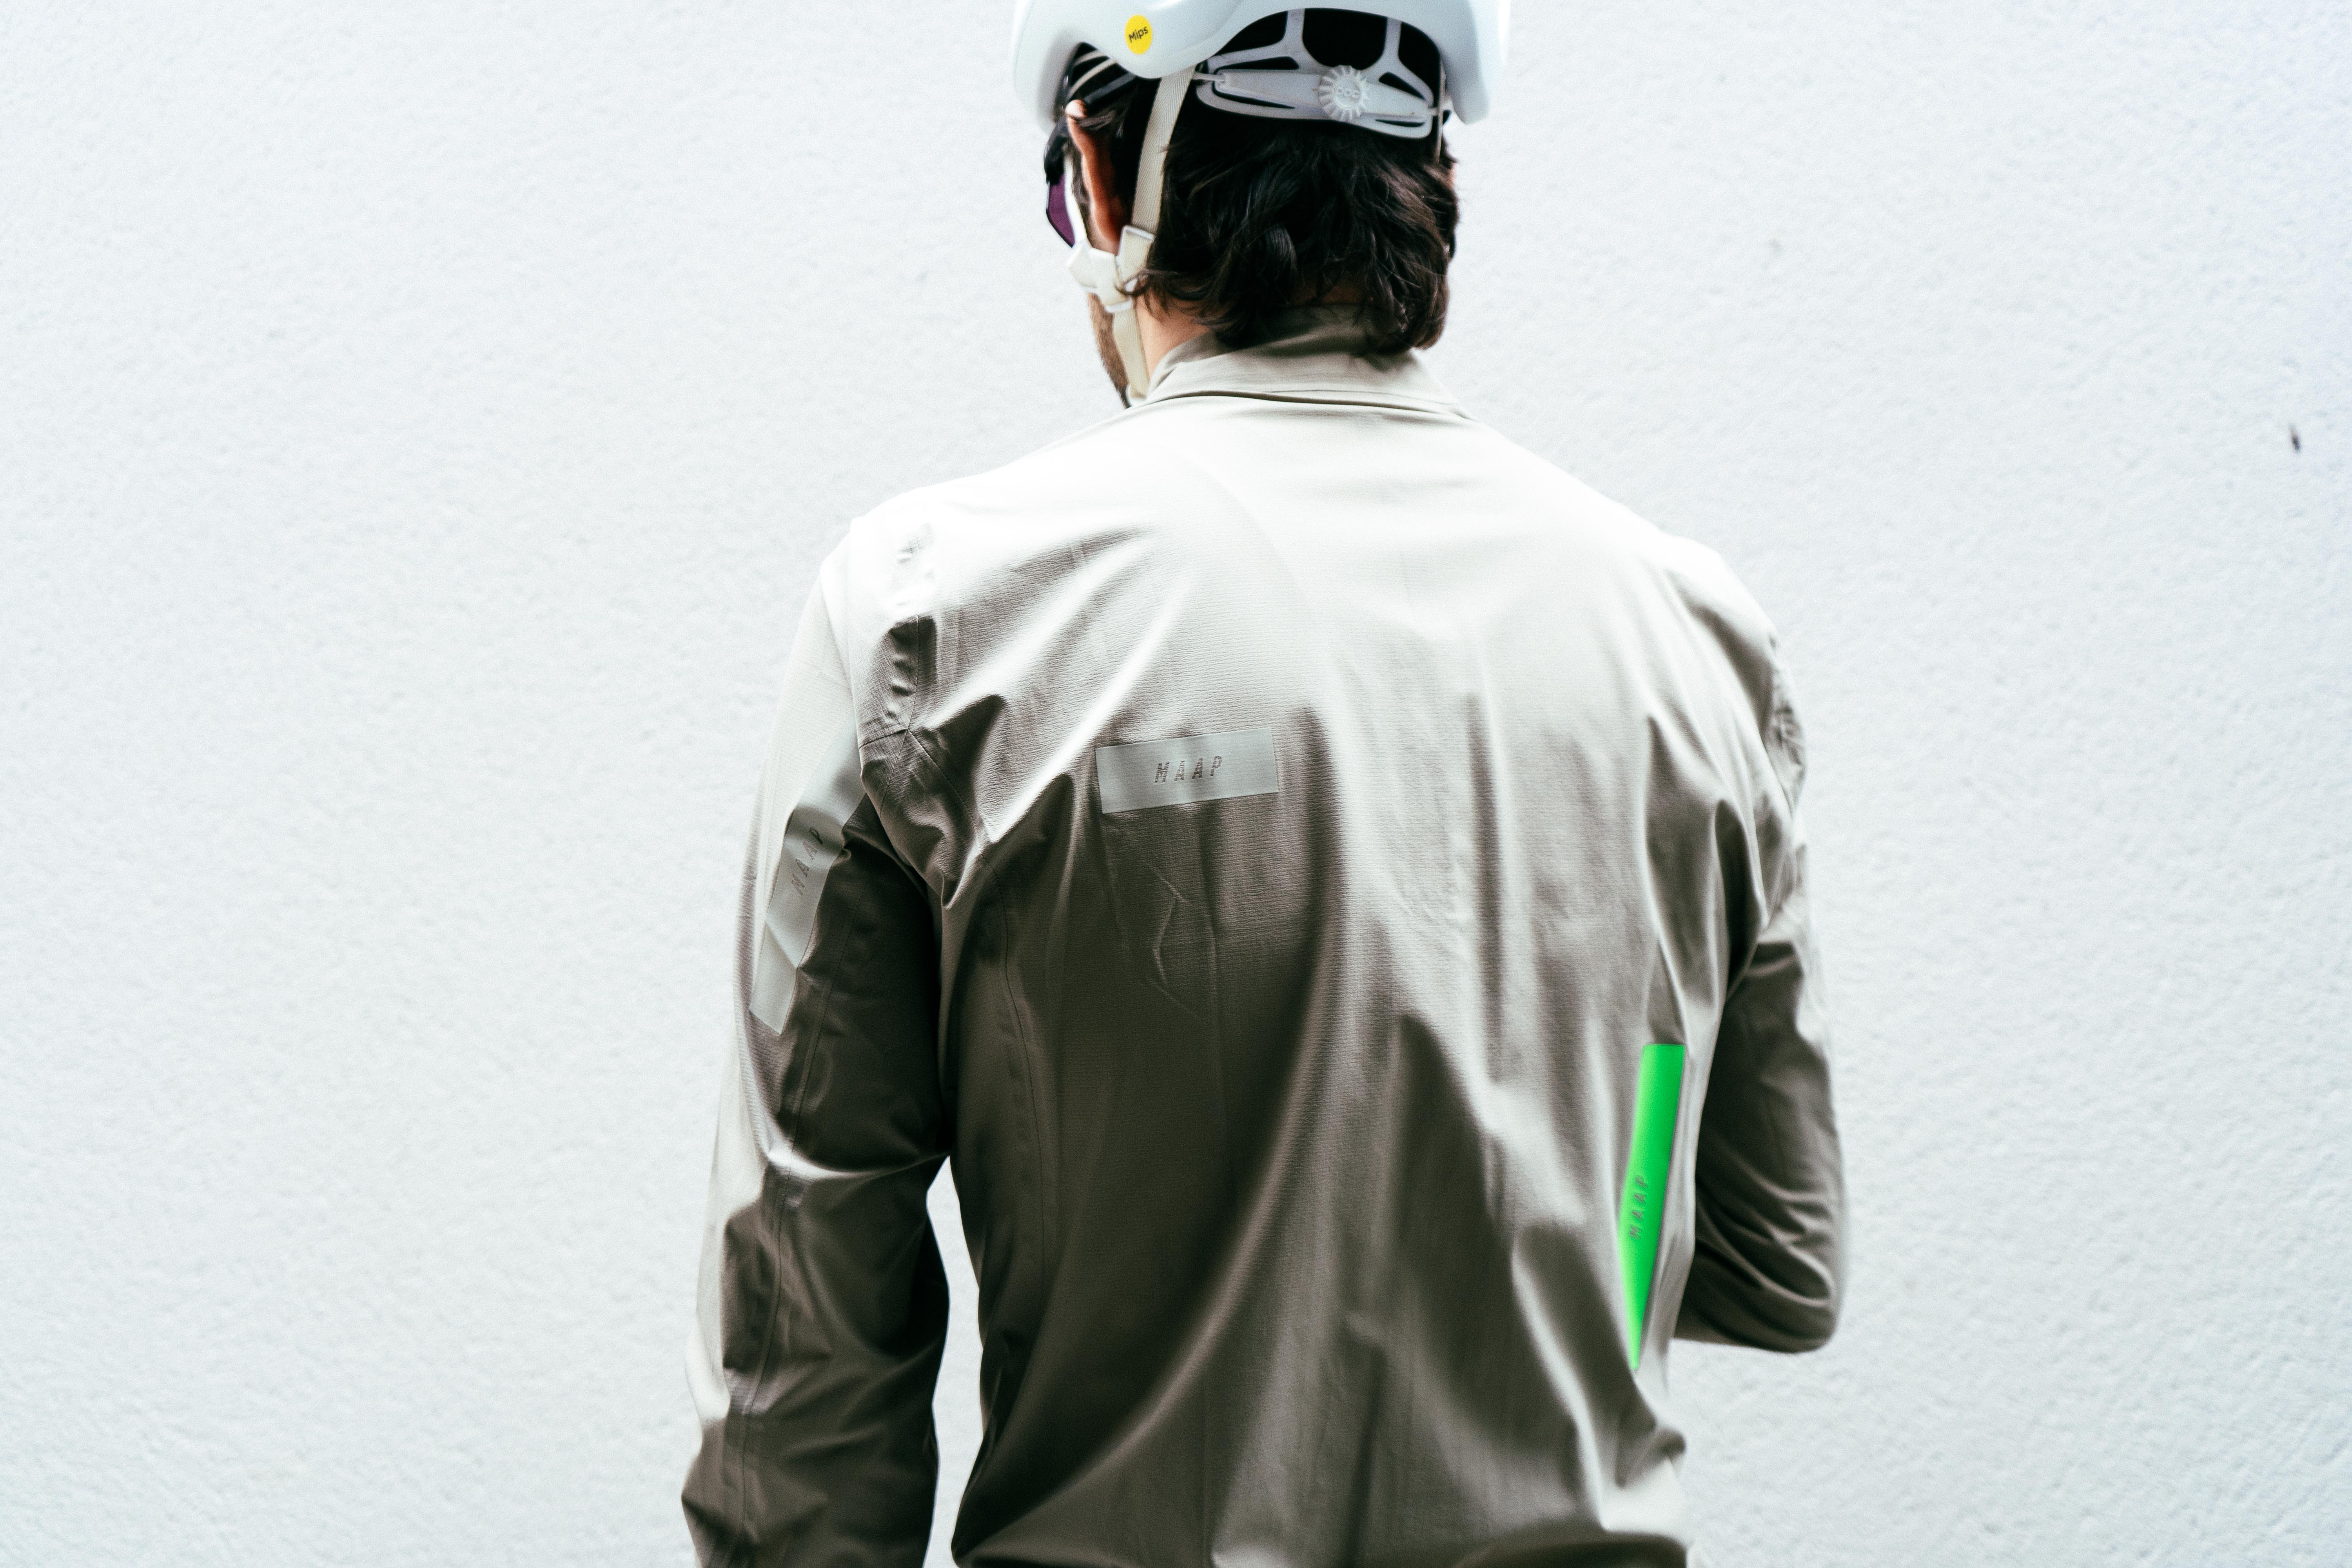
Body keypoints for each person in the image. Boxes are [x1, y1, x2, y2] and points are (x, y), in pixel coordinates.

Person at [681, 4, 1845, 1563]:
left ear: (1098, 178)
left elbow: (804, 1381)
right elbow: (1774, 1259)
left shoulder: (935, 618)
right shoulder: (1694, 640)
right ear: (1432, 179)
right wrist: (1576, 1193)